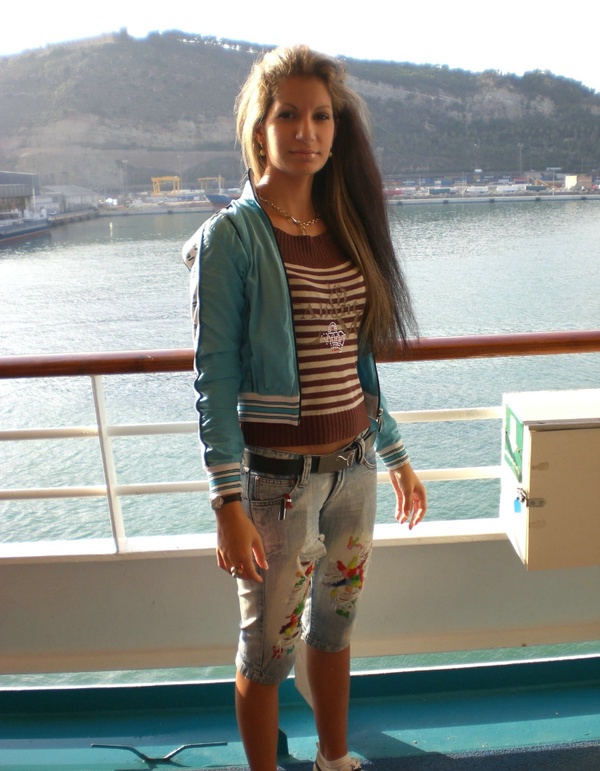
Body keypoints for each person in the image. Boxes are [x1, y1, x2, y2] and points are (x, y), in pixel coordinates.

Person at [183, 44, 427, 771]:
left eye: (320, 116)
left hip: (354, 472)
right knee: (266, 651)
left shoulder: (345, 225)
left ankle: (332, 756)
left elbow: (359, 363)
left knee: (335, 630)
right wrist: (226, 500)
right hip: (277, 486)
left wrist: (396, 454)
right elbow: (214, 377)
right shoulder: (231, 239)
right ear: (259, 128)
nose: (306, 132)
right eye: (287, 115)